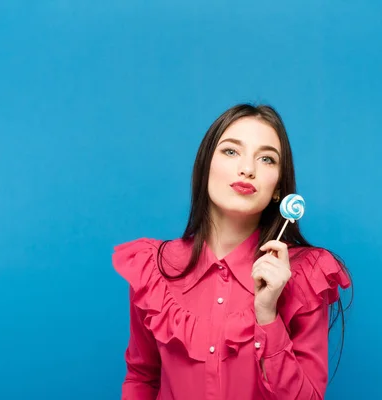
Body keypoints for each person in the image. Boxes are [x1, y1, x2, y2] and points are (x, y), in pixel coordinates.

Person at [111, 104, 353, 399]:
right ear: (205, 167)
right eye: (230, 151)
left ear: (278, 188)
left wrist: (267, 315)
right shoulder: (154, 268)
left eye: (266, 159)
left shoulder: (307, 274)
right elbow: (142, 378)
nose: (247, 169)